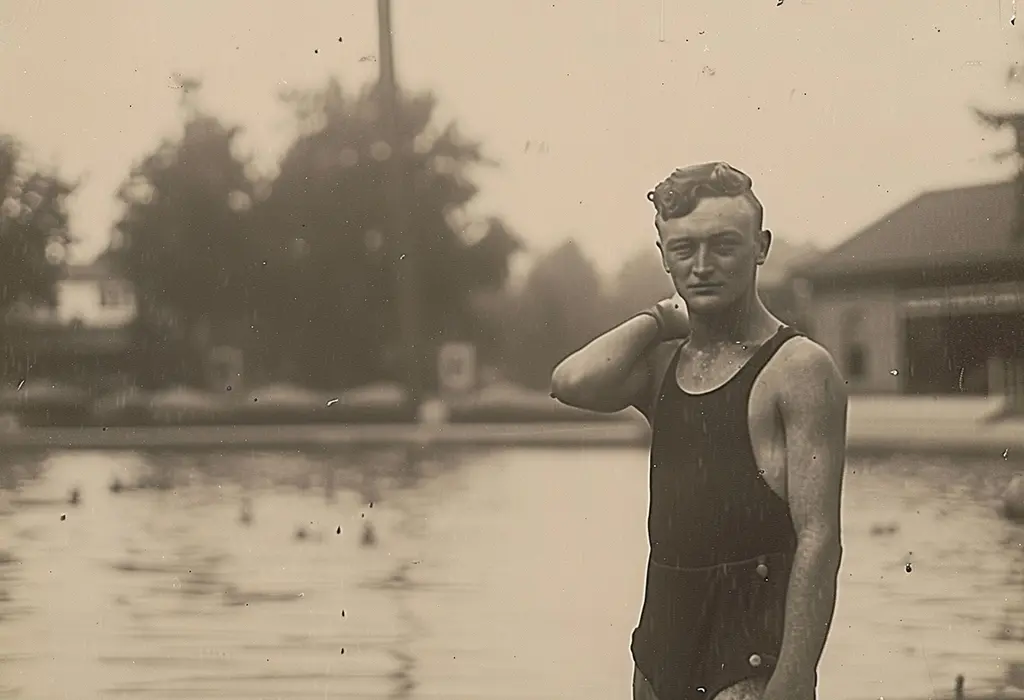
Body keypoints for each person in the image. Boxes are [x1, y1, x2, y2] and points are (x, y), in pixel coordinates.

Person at [550, 162, 847, 700]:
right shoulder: (663, 365)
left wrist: (795, 676)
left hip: (748, 660)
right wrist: (660, 319)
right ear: (663, 255)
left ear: (761, 247)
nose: (702, 266)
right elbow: (570, 382)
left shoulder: (797, 367)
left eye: (723, 246)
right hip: (660, 655)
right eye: (683, 249)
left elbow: (820, 538)